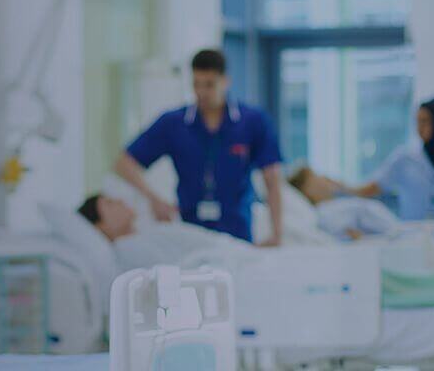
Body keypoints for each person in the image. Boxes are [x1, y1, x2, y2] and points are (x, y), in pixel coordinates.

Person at [114, 49, 286, 247]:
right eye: (196, 84)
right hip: (190, 233)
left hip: (238, 233)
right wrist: (154, 200)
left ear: (226, 81)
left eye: (209, 85)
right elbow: (124, 164)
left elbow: (272, 180)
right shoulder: (173, 123)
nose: (201, 93)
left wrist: (277, 234)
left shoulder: (253, 121)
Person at [355, 96, 434, 221]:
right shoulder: (403, 158)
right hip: (415, 233)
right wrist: (346, 190)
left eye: (424, 121)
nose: (419, 128)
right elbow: (375, 186)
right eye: (417, 121)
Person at [77, 194, 248, 271]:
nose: (120, 201)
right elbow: (178, 271)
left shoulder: (142, 234)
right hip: (228, 263)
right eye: (110, 203)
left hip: (231, 252)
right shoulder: (127, 248)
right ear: (101, 226)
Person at [289, 166, 400, 241]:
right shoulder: (324, 212)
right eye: (316, 177)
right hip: (391, 238)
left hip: (394, 233)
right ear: (308, 190)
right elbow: (343, 235)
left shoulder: (334, 205)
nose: (323, 178)